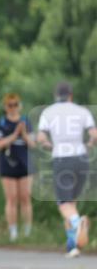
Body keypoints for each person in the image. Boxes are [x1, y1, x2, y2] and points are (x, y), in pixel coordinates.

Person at [37, 82, 97, 258]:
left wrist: (49, 145)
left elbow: (41, 137)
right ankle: (73, 245)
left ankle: (78, 224)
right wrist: (90, 144)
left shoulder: (48, 112)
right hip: (81, 159)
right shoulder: (82, 111)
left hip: (62, 159)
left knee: (64, 203)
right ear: (71, 95)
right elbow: (94, 134)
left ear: (56, 95)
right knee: (72, 202)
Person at [0, 93, 36, 241]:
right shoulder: (1, 123)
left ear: (20, 106)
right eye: (10, 105)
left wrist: (23, 134)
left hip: (25, 165)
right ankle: (13, 232)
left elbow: (33, 144)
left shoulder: (26, 122)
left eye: (15, 104)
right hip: (8, 164)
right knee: (11, 198)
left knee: (25, 198)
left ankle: (28, 232)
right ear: (5, 107)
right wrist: (14, 134)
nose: (13, 108)